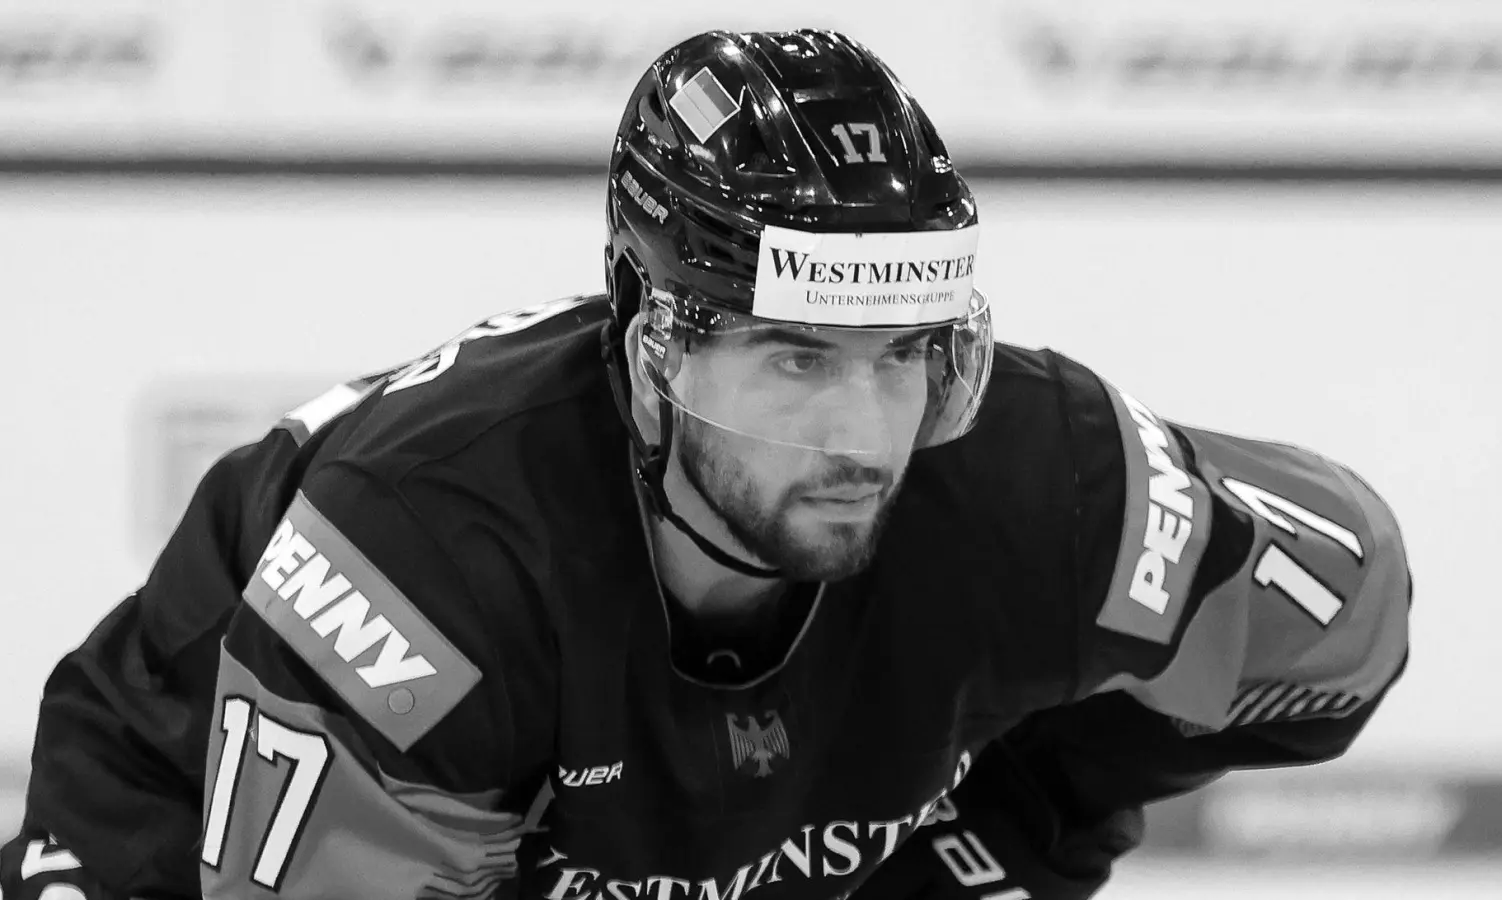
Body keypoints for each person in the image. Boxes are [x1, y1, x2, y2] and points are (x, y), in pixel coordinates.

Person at [0, 28, 1410, 900]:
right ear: (655, 347)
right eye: (798, 359)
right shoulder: (431, 555)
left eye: (905, 353)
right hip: (202, 820)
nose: (866, 432)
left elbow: (1349, 600)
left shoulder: (1031, 476)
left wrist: (1014, 833)